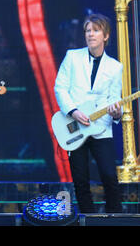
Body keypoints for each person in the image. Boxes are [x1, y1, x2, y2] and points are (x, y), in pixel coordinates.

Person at [54, 13, 123, 213]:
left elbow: (114, 98)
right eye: (87, 31)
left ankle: (116, 218)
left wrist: (116, 113)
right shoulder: (72, 57)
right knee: (80, 179)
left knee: (109, 176)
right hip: (75, 127)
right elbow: (60, 88)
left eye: (95, 30)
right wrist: (73, 111)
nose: (90, 34)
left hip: (101, 129)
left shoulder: (115, 67)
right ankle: (87, 217)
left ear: (106, 35)